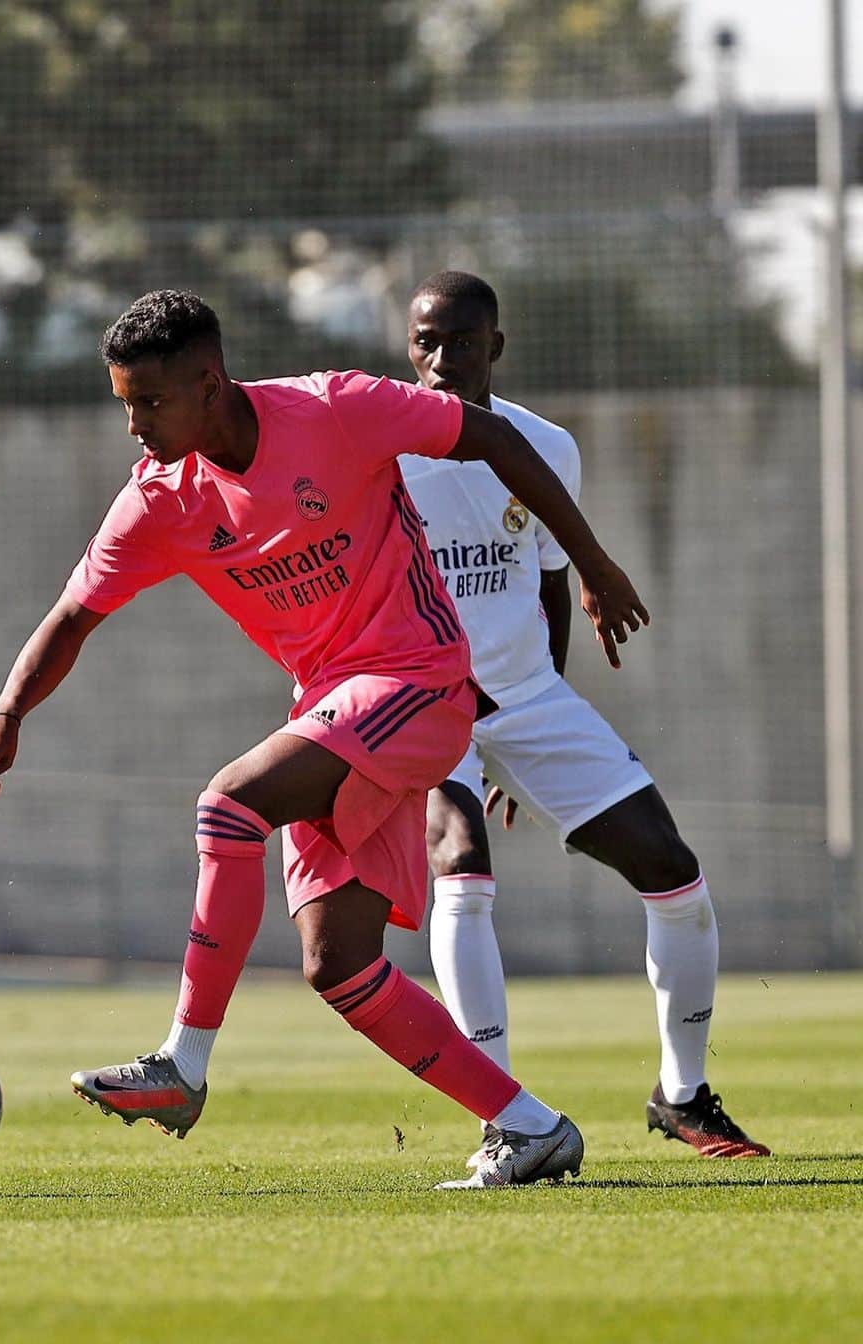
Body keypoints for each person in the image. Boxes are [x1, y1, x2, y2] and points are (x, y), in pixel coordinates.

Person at [0, 289, 648, 1189]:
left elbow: (497, 439)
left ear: (210, 383)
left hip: (423, 680)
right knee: (341, 966)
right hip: (336, 711)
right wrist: (7, 712)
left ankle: (183, 1065)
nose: (134, 426)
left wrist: (591, 565)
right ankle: (531, 1126)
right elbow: (73, 616)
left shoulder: (337, 408)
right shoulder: (160, 499)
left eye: (150, 403)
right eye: (123, 403)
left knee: (229, 804)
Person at [400, 270, 769, 1163]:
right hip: (418, 701)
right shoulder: (385, 448)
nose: (440, 359)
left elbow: (549, 582)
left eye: (459, 340)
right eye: (424, 341)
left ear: (496, 345)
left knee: (673, 872)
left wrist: (528, 736)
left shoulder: (546, 447)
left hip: (526, 700)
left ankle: (682, 1094)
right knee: (462, 863)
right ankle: (503, 1114)